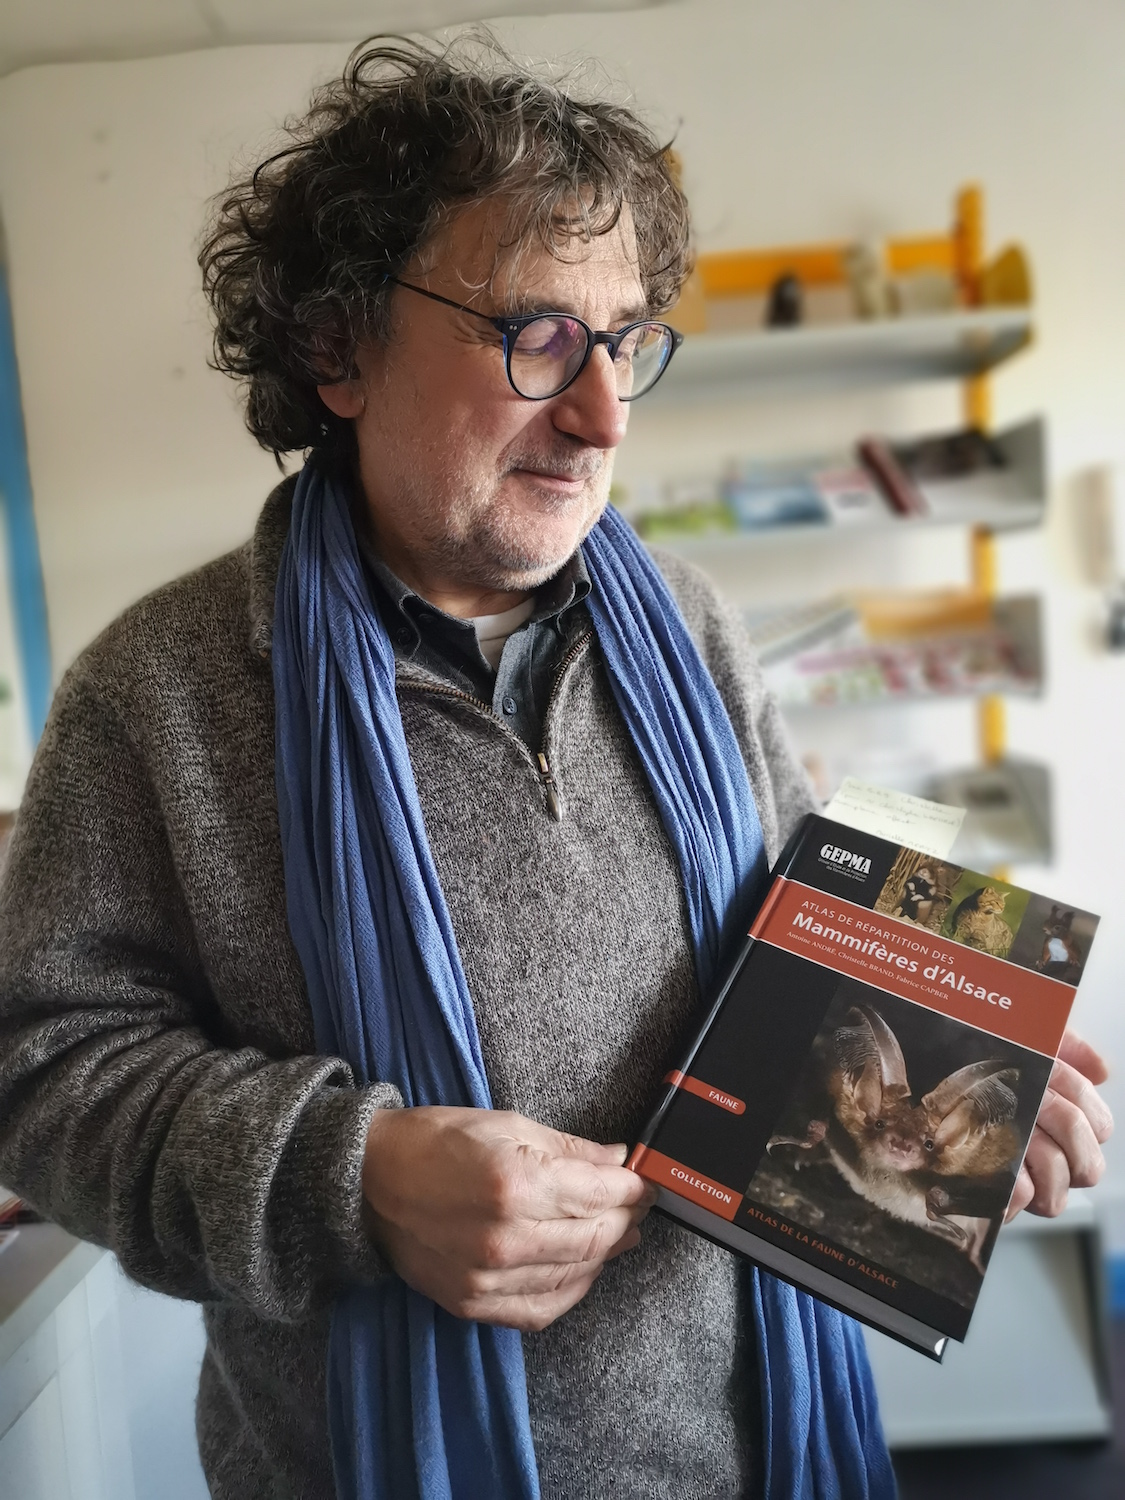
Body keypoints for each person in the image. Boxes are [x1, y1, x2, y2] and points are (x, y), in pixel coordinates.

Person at [0, 37, 1111, 1500]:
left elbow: (805, 937)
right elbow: (47, 1069)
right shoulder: (159, 695)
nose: (598, 419)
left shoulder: (696, 631)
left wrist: (975, 1068)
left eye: (626, 341)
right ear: (338, 350)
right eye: (534, 335)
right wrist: (357, 1175)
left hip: (760, 1449)